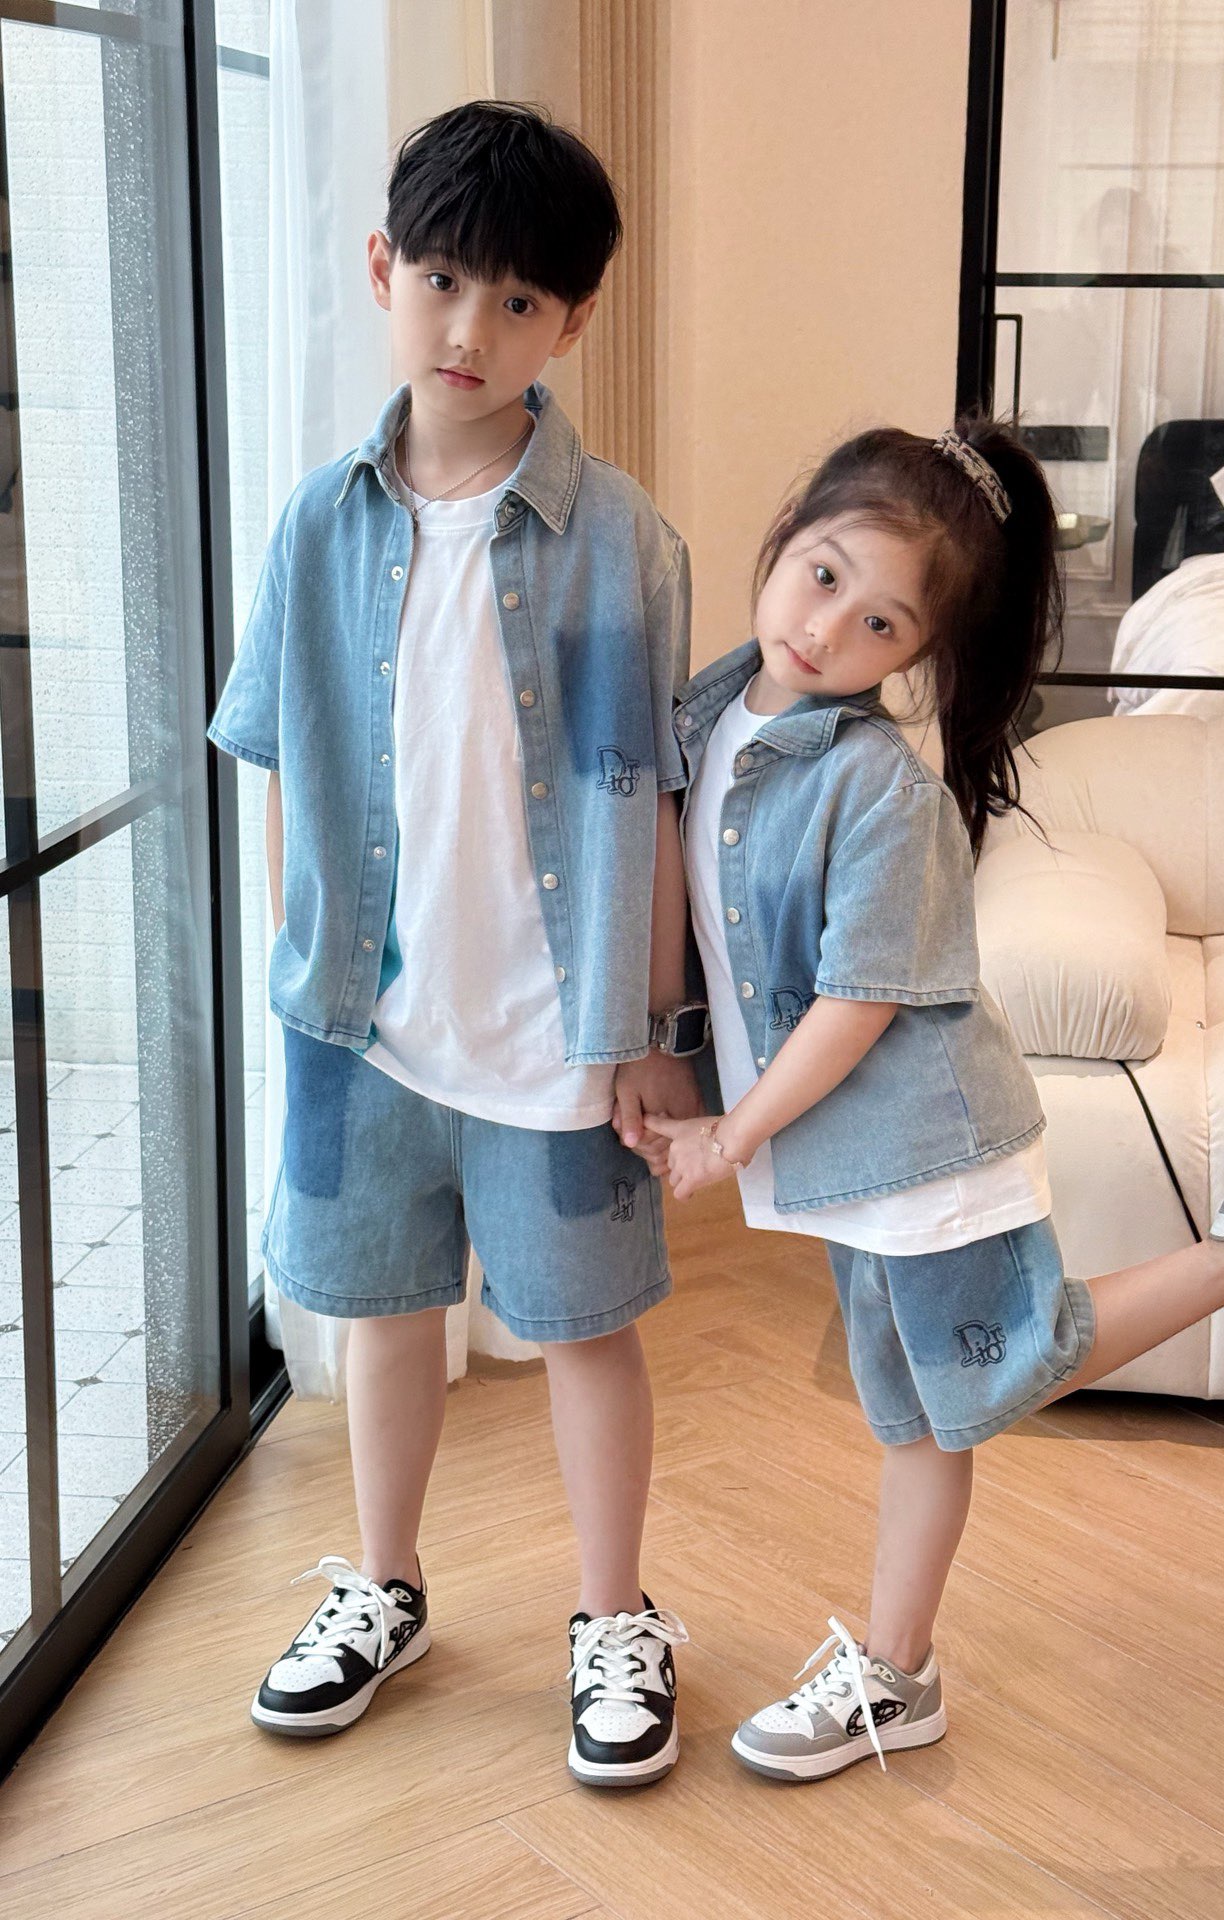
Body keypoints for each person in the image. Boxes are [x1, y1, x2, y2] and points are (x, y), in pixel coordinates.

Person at [647, 419, 1224, 1784]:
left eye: (882, 622)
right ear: (783, 537)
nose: (829, 630)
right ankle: (901, 1668)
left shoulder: (877, 785)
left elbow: (857, 1004)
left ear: (917, 652)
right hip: (852, 1161)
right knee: (928, 1406)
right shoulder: (715, 708)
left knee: (992, 1378)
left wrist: (734, 1130)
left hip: (921, 1147)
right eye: (824, 575)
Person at [208, 102, 704, 1788]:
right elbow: (281, 757)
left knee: (585, 1326)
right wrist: (310, 974)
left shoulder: (621, 538)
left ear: (574, 319)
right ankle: (385, 1584)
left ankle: (614, 1615)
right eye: (441, 282)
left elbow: (650, 799)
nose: (471, 328)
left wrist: (652, 1031)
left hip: (559, 1028)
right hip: (365, 1022)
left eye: (518, 300)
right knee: (384, 1309)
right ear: (382, 271)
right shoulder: (314, 524)